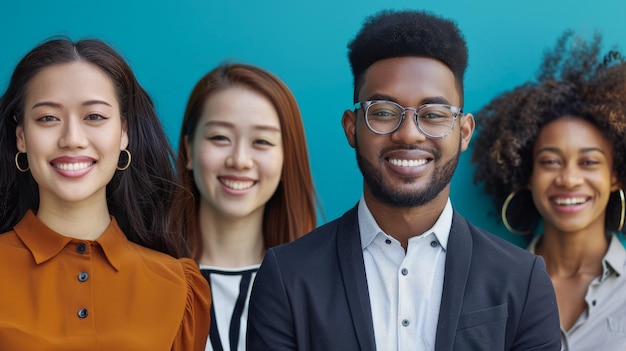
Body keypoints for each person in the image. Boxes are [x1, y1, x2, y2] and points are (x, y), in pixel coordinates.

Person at [247, 8, 561, 351]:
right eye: (383, 112)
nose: (409, 134)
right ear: (352, 128)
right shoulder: (287, 275)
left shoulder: (522, 279)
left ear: (464, 131)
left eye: (434, 115)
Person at [0, 37, 211, 350]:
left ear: (124, 132)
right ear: (21, 137)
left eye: (94, 117)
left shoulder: (179, 287)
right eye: (47, 118)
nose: (72, 139)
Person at [472, 30, 626, 351]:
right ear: (526, 174)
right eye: (551, 161)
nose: (568, 179)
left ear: (616, 176)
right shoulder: (489, 289)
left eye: (589, 162)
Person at [171, 62, 318, 351]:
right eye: (219, 138)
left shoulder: (322, 284)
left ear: (287, 158)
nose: (239, 160)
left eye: (261, 141)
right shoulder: (144, 277)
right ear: (188, 149)